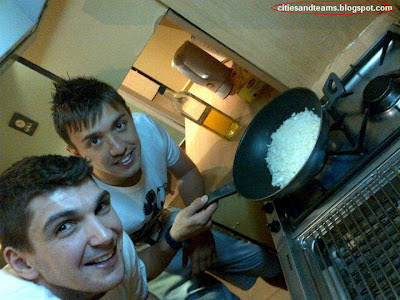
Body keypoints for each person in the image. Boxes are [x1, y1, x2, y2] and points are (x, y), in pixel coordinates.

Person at [51, 77, 285, 299]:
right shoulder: (85, 203)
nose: (118, 148)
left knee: (263, 258)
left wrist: (200, 235)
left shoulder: (146, 128)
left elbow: (186, 172)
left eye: (120, 125)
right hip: (143, 259)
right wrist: (175, 239)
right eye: (95, 141)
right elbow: (134, 271)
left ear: (130, 117)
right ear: (76, 153)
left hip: (168, 223)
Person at [0, 155, 217, 299]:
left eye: (101, 207)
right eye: (64, 226)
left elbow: (138, 295)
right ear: (22, 263)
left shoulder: (117, 250)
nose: (105, 235)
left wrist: (173, 238)